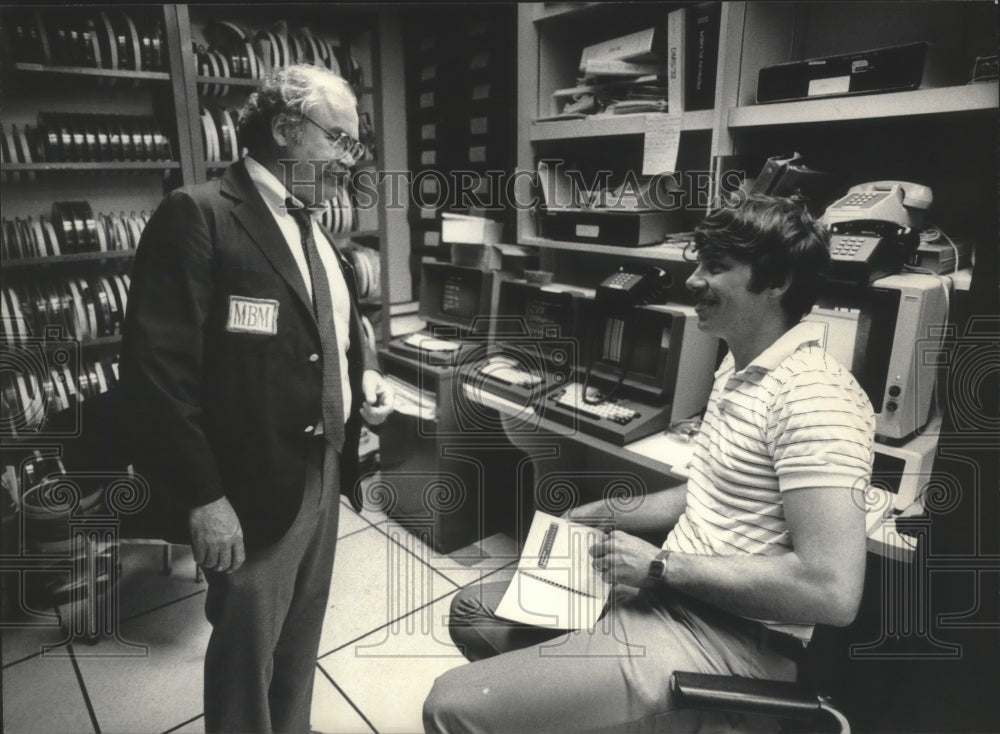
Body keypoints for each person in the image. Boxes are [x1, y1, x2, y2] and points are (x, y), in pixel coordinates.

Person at [423, 194, 876, 733]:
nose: (692, 279)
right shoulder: (740, 364)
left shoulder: (817, 397)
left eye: (717, 266)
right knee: (473, 612)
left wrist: (660, 565)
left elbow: (832, 590)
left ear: (776, 282)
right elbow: (708, 491)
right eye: (698, 261)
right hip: (672, 594)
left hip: (727, 639)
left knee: (450, 704)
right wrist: (605, 513)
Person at [120, 64, 393, 733]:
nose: (347, 160)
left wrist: (366, 374)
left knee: (299, 641)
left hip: (323, 468)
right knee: (248, 656)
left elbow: (329, 321)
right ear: (285, 128)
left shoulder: (311, 223)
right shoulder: (201, 215)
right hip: (247, 488)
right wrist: (203, 499)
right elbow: (157, 373)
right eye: (339, 139)